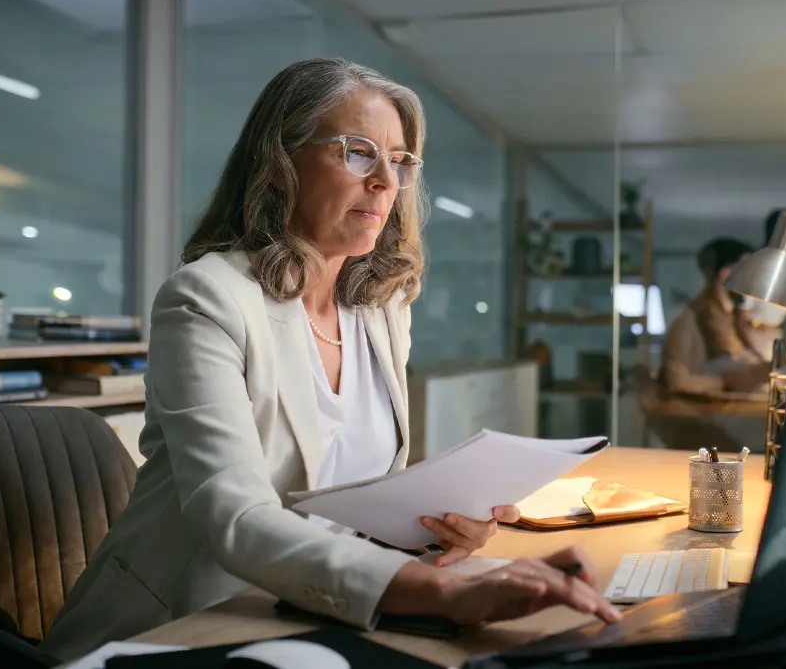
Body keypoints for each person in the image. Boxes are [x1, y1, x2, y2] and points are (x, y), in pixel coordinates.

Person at [40, 58, 619, 661]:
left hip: (311, 616)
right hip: (183, 624)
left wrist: (434, 530)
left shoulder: (383, 308)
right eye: (358, 152)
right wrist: (439, 590)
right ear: (279, 162)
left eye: (399, 162)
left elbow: (351, 500)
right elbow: (235, 515)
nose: (385, 183)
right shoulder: (207, 298)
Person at [658, 238, 773, 398]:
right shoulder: (690, 319)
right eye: (749, 272)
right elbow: (677, 382)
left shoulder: (734, 320)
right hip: (699, 418)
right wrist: (727, 380)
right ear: (725, 274)